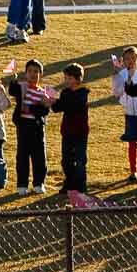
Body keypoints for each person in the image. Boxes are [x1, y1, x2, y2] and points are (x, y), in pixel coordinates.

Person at [11, 59, 53, 195]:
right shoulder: (22, 87)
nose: (33, 74)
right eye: (30, 71)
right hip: (23, 126)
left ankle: (38, 183)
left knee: (39, 156)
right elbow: (13, 91)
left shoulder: (43, 93)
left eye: (36, 71)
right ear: (25, 73)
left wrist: (33, 108)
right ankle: (22, 184)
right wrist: (13, 79)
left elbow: (45, 111)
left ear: (41, 74)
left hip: (37, 127)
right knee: (22, 155)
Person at [52, 63, 90, 196]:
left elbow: (74, 105)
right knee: (66, 160)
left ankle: (80, 185)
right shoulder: (65, 92)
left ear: (77, 79)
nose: (66, 81)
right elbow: (58, 108)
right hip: (67, 131)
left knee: (79, 160)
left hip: (80, 132)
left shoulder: (82, 93)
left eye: (69, 78)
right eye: (65, 78)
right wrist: (52, 102)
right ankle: (69, 183)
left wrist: (58, 102)